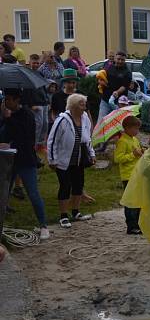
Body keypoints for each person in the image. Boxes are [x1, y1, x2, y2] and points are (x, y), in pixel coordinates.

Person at [0, 89, 49, 239]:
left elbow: (24, 137)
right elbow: (5, 134)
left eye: (8, 99)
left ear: (16, 101)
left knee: (33, 193)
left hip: (25, 159)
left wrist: (8, 118)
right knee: (4, 192)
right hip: (8, 159)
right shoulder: (7, 115)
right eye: (5, 99)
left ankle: (43, 226)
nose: (5, 102)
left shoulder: (27, 115)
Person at [47, 93, 95, 228]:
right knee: (65, 186)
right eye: (81, 104)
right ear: (73, 105)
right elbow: (52, 140)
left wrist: (92, 153)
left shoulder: (85, 118)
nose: (84, 106)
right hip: (63, 160)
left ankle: (75, 212)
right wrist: (52, 159)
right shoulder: (61, 120)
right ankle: (63, 216)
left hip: (79, 159)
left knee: (78, 185)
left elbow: (87, 138)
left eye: (84, 103)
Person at [113, 115, 143, 235]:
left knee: (139, 200)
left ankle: (139, 223)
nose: (137, 131)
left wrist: (141, 152)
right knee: (130, 202)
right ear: (127, 128)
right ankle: (131, 226)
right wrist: (132, 155)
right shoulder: (122, 141)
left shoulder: (135, 140)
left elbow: (137, 152)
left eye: (138, 129)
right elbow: (118, 158)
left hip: (138, 174)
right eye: (135, 129)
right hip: (128, 176)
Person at [99, 52, 131, 125]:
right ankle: (98, 136)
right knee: (101, 122)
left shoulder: (127, 72)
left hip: (119, 103)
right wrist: (100, 81)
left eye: (122, 60)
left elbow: (125, 86)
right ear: (115, 59)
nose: (120, 61)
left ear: (124, 60)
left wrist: (117, 92)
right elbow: (101, 77)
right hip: (105, 99)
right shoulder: (109, 67)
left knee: (117, 124)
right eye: (118, 59)